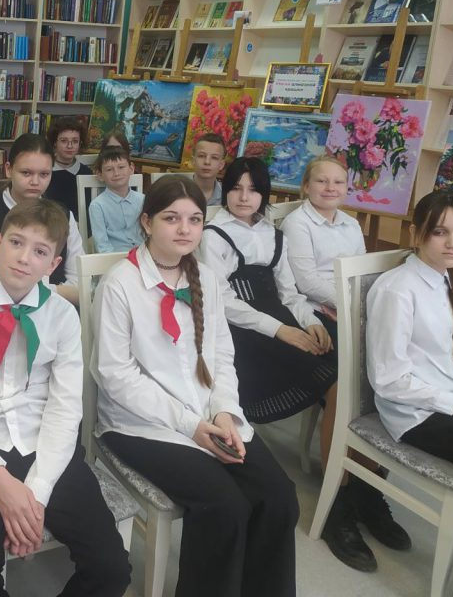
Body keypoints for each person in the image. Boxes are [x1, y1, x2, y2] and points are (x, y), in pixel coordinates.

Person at [94, 176, 297, 597]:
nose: (184, 229)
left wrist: (224, 411)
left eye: (195, 219)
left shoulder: (204, 277)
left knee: (279, 496)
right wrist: (190, 425)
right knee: (225, 507)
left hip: (208, 411)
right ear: (147, 222)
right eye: (171, 218)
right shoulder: (120, 284)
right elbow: (116, 375)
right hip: (141, 424)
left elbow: (222, 353)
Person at [200, 156, 401, 571]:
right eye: (235, 188)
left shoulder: (273, 233)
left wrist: (309, 322)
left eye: (253, 190)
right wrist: (282, 331)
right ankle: (337, 505)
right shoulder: (212, 233)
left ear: (265, 194)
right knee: (339, 383)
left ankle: (363, 491)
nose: (244, 197)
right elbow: (223, 301)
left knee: (360, 378)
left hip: (280, 322)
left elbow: (290, 292)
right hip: (243, 336)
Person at [0, 199, 131, 597]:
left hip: (48, 447)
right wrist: (0, 481)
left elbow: (65, 407)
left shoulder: (63, 315)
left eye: (40, 251)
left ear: (53, 264)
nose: (25, 258)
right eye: (16, 242)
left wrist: (34, 496)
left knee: (111, 568)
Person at [368, 192, 453, 597]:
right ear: (417, 234)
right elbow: (388, 380)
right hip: (417, 414)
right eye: (440, 232)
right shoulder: (398, 290)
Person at [0, 133, 84, 304]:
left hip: (59, 308)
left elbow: (80, 282)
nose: (35, 181)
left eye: (44, 174)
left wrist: (49, 296)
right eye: (26, 173)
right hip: (4, 309)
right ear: (8, 169)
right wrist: (56, 290)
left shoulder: (64, 215)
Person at [281, 157, 365, 323]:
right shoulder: (296, 224)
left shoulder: (352, 224)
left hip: (352, 304)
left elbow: (361, 271)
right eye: (321, 181)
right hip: (317, 308)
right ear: (306, 186)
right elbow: (307, 282)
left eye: (338, 182)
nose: (331, 188)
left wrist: (358, 306)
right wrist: (349, 306)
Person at [88, 145, 144, 253]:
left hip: (143, 256)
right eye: (109, 169)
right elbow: (102, 245)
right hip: (114, 259)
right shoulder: (97, 206)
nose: (116, 173)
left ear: (131, 168)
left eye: (121, 167)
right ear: (100, 174)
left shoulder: (143, 200)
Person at [44, 116, 92, 220]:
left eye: (75, 141)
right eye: (64, 141)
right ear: (55, 143)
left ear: (80, 143)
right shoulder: (43, 172)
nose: (70, 146)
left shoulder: (87, 173)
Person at [189, 132, 225, 206]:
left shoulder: (227, 196)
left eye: (214, 157)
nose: (207, 162)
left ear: (221, 165)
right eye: (201, 156)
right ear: (193, 161)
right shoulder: (176, 191)